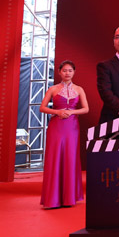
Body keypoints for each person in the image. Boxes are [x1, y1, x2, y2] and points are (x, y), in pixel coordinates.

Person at [39, 60, 89, 209]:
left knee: (70, 158)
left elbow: (86, 109)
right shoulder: (53, 89)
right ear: (59, 72)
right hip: (56, 126)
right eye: (64, 70)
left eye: (70, 71)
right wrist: (57, 112)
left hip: (72, 127)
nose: (67, 73)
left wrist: (71, 112)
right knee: (54, 158)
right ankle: (52, 198)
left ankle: (69, 198)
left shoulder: (79, 89)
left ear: (74, 72)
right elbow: (42, 108)